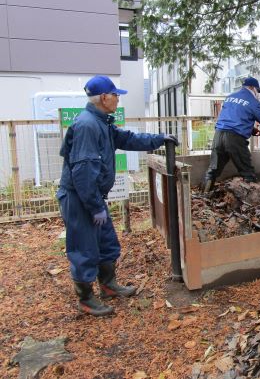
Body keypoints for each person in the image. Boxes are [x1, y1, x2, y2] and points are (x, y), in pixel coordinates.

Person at [57, 75, 178, 316]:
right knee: (84, 247)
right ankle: (86, 299)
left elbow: (127, 139)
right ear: (104, 98)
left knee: (106, 243)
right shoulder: (87, 126)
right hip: (80, 198)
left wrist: (159, 139)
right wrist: (94, 207)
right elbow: (83, 173)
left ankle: (108, 285)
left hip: (92, 197)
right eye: (115, 95)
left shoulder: (102, 122)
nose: (118, 99)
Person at [203, 77, 260, 192]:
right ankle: (251, 202)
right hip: (235, 139)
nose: (258, 94)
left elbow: (233, 117)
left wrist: (251, 129)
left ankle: (204, 195)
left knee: (213, 170)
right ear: (252, 88)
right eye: (257, 91)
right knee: (247, 172)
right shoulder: (253, 102)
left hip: (218, 136)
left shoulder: (230, 97)